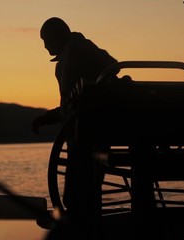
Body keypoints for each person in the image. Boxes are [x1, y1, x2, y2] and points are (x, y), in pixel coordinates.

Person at [31, 17, 118, 239]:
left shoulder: (78, 47)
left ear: (58, 34)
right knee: (81, 194)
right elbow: (70, 106)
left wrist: (93, 92)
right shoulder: (70, 54)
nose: (44, 46)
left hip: (89, 136)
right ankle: (88, 229)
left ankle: (86, 232)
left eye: (46, 39)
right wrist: (48, 118)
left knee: (79, 194)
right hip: (80, 135)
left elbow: (111, 66)